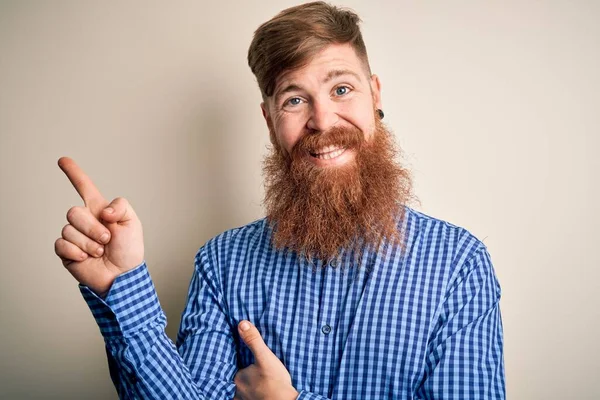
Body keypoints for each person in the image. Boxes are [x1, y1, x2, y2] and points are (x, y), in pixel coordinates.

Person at [54, 2, 505, 399]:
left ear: (376, 94)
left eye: (341, 89)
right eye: (294, 99)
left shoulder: (458, 266)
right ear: (270, 121)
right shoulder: (221, 263)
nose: (323, 120)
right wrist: (122, 286)